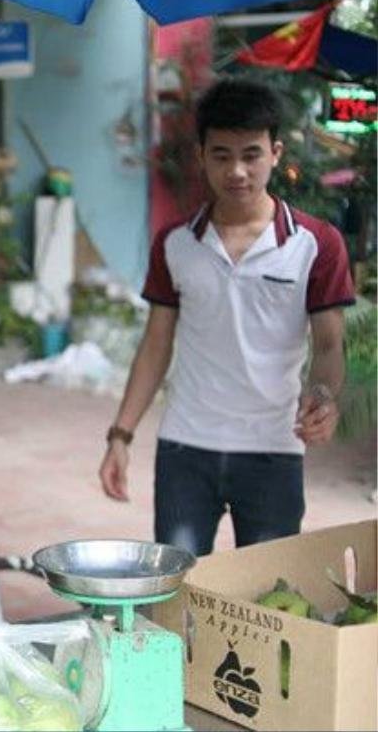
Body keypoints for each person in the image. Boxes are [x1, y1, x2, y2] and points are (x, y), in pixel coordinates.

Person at [97, 78, 354, 556]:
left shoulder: (316, 244)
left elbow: (329, 344)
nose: (237, 170)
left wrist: (322, 396)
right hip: (185, 449)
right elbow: (156, 343)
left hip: (274, 449)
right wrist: (121, 434)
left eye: (251, 154)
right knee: (176, 587)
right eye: (221, 155)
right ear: (200, 156)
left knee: (267, 596)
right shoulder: (175, 243)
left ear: (276, 152)